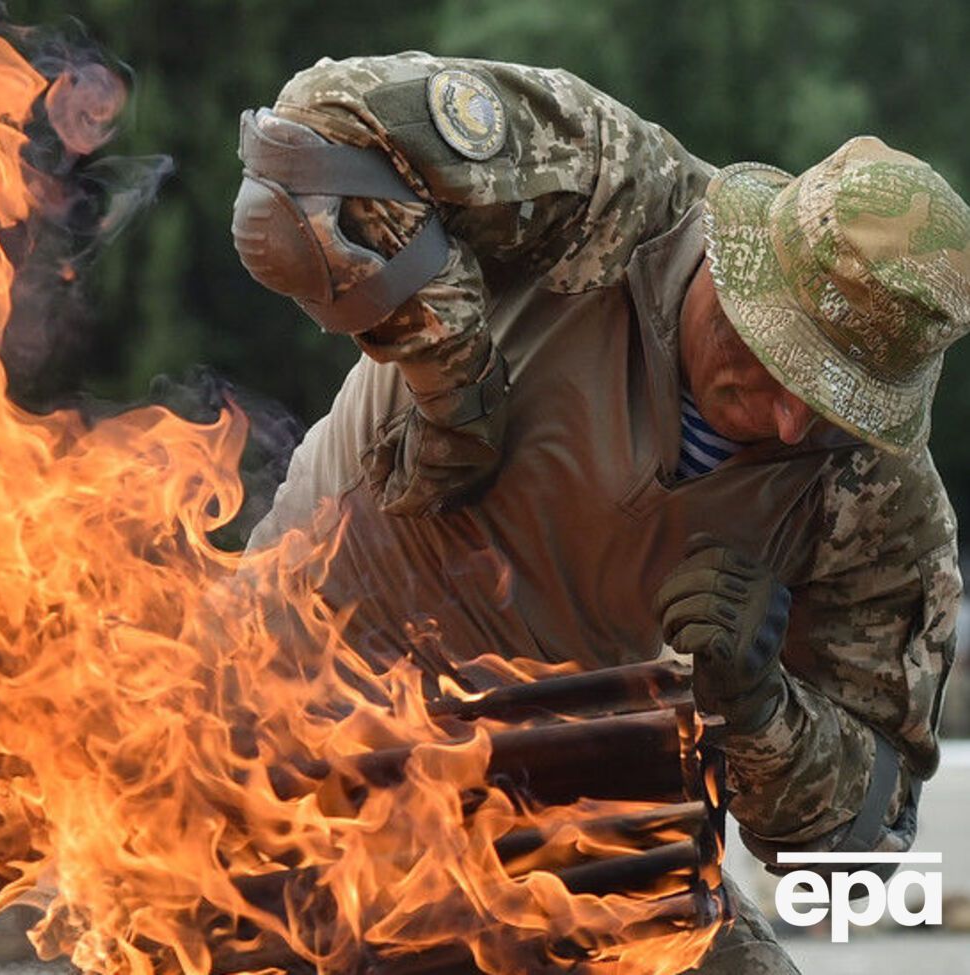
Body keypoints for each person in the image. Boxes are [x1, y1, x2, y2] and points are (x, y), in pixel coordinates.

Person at [232, 53, 970, 974]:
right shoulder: (611, 190)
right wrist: (454, 382)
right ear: (744, 265)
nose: (792, 420)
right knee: (101, 911)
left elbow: (858, 860)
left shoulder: (875, 501)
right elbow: (302, 151)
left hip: (557, 794)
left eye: (839, 401)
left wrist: (760, 707)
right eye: (786, 362)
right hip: (294, 677)